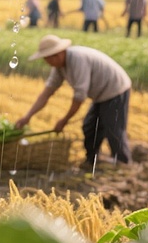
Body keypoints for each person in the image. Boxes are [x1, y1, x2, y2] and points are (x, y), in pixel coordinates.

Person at [15, 34, 132, 168]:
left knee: (113, 129)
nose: (46, 62)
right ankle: (92, 161)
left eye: (47, 58)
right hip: (100, 94)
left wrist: (64, 120)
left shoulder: (78, 60)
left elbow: (79, 96)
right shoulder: (59, 68)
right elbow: (47, 93)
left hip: (116, 89)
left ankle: (124, 165)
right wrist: (27, 116)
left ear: (58, 54)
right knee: (90, 127)